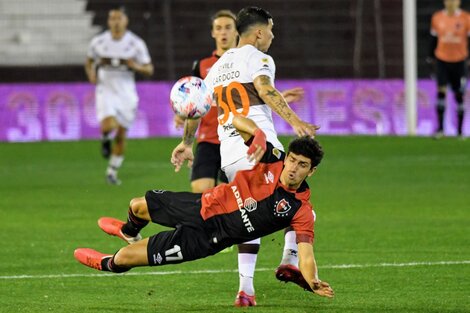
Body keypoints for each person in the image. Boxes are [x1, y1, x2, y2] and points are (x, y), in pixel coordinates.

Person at [74, 115, 334, 302]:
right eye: (292, 160)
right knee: (137, 205)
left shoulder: (300, 209)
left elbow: (307, 255)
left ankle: (106, 263)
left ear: (312, 170)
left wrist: (312, 280)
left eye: (302, 165)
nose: (293, 168)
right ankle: (130, 230)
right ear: (286, 157)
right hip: (201, 205)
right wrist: (257, 135)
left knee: (126, 258)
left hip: (207, 239)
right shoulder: (272, 159)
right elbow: (236, 119)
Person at [171, 6, 318, 307]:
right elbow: (265, 89)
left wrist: (187, 143)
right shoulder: (260, 58)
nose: (273, 37)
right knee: (302, 208)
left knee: (249, 219)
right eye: (272, 30)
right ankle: (290, 260)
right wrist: (296, 123)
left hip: (230, 156)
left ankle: (245, 290)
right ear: (260, 31)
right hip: (259, 147)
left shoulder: (219, 66)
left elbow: (197, 106)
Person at [85, 6, 154, 185]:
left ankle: (112, 171)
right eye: (112, 18)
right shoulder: (99, 42)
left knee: (121, 134)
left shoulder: (136, 43)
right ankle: (105, 137)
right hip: (105, 90)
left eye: (119, 18)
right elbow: (89, 60)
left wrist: (135, 66)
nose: (116, 22)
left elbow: (149, 68)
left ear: (126, 20)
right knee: (109, 125)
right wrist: (91, 74)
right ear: (109, 22)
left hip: (126, 93)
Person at [428, 0, 469, 139]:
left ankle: (460, 131)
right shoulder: (437, 17)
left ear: (459, 2)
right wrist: (430, 56)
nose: (451, 3)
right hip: (442, 60)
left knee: (459, 94)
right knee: (441, 91)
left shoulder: (466, 18)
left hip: (460, 61)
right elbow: (433, 39)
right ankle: (440, 129)